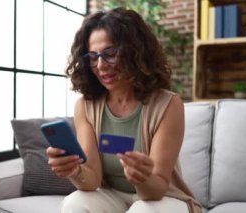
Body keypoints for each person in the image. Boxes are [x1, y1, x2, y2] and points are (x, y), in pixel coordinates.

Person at [46, 7, 201, 213]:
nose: (100, 65)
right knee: (74, 203)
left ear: (135, 52)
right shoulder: (86, 106)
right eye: (93, 56)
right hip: (113, 196)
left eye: (110, 53)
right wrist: (75, 170)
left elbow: (156, 189)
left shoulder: (168, 104)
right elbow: (91, 180)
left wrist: (141, 177)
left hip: (161, 199)